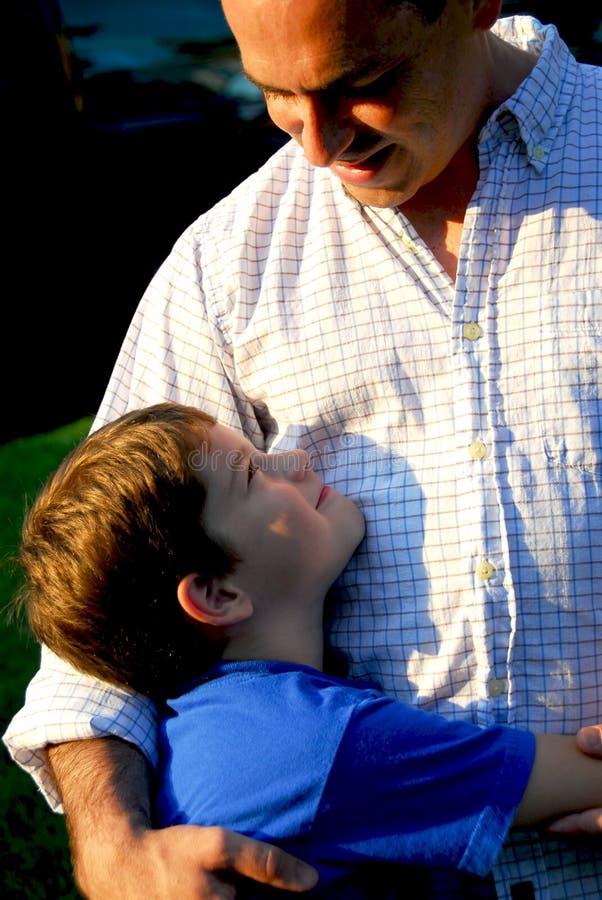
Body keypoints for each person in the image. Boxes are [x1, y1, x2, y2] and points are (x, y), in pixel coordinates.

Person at [3, 0, 601, 897]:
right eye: (276, 93)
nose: (318, 148)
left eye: (361, 86)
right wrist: (113, 846)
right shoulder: (223, 264)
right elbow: (97, 612)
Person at [11, 400, 602, 896]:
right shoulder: (323, 745)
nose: (293, 458)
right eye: (251, 475)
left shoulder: (204, 734)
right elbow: (586, 775)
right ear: (218, 594)